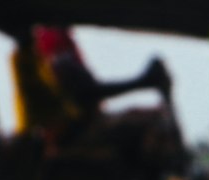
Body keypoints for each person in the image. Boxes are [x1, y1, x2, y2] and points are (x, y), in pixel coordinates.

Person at [12, 25, 172, 147]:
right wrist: (142, 81)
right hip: (71, 133)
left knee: (152, 119)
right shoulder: (53, 58)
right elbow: (87, 92)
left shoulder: (57, 56)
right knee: (149, 126)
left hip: (78, 125)